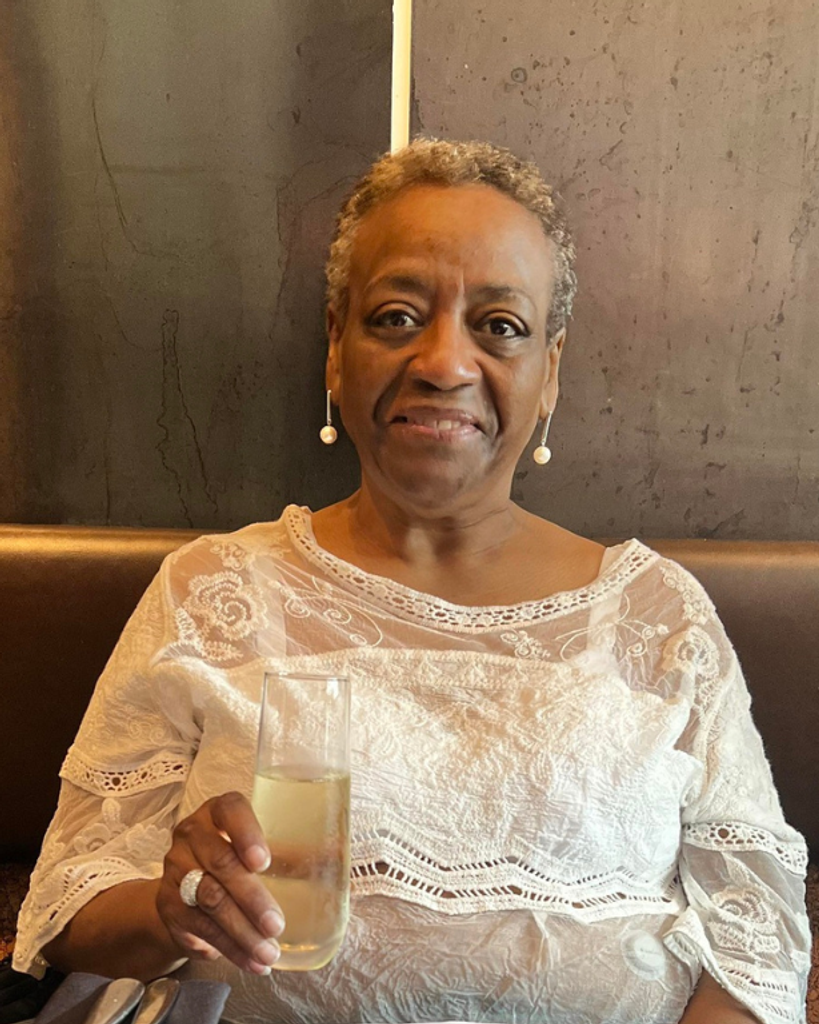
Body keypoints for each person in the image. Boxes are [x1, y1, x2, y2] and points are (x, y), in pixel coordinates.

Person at [13, 139, 810, 1024]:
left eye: (499, 326)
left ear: (549, 371)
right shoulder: (213, 589)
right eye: (395, 317)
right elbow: (70, 906)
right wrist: (176, 908)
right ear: (335, 348)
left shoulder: (657, 614)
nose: (443, 364)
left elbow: (755, 931)